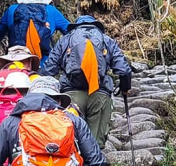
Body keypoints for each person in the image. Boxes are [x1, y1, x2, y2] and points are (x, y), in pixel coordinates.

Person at [40, 14, 132, 152]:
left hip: (70, 96)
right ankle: (93, 164)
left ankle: (74, 164)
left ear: (75, 26)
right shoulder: (107, 40)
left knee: (71, 140)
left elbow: (48, 69)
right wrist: (125, 88)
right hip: (99, 95)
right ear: (96, 26)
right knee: (95, 145)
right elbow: (124, 70)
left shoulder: (65, 40)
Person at [0, 0, 69, 66]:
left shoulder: (12, 10)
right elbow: (71, 31)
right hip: (43, 64)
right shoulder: (51, 10)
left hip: (14, 62)